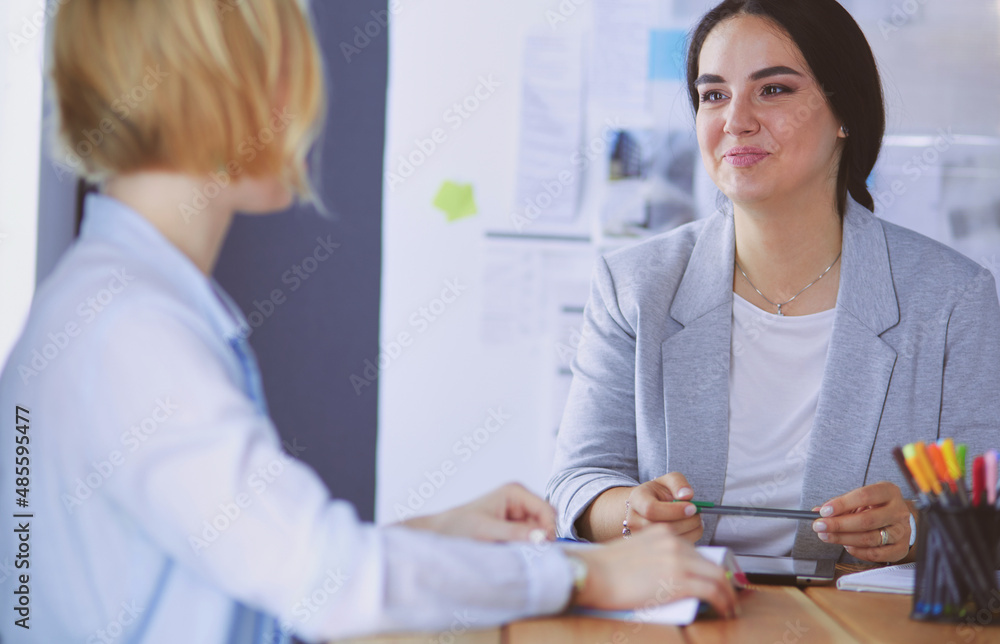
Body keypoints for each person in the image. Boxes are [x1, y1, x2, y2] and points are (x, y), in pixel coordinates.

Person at [0, 1, 739, 643]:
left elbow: (256, 558)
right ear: (214, 83)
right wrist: (585, 575)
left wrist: (438, 538)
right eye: (283, 69)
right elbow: (322, 583)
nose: (299, 108)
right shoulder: (132, 332)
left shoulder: (110, 301)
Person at [547, 0, 1000, 565]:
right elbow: (578, 481)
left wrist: (913, 526)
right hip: (681, 611)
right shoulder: (635, 285)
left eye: (774, 89)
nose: (735, 119)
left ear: (845, 112)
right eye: (713, 95)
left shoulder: (953, 298)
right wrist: (629, 513)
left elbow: (987, 515)